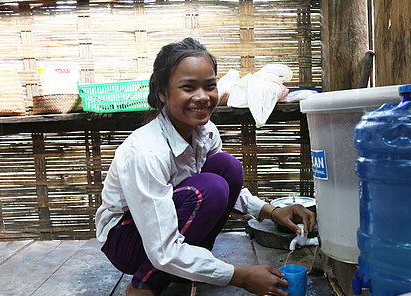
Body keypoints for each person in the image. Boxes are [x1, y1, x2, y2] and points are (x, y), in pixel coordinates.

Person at [95, 37, 316, 296]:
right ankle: (144, 284)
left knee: (227, 168)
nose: (202, 97)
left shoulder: (206, 132)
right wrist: (240, 277)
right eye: (188, 88)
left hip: (163, 225)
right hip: (126, 239)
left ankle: (185, 268)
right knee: (208, 188)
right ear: (162, 93)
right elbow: (162, 249)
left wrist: (271, 211)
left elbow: (229, 188)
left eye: (209, 86)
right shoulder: (146, 151)